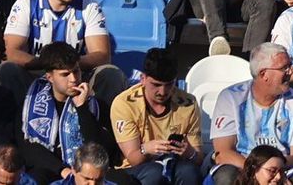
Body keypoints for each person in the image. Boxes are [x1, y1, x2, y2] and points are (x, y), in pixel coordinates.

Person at [208, 44, 293, 185]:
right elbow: (223, 153)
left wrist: (273, 170)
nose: (290, 72)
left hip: (282, 166)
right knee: (226, 176)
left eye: (290, 66)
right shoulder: (230, 97)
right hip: (241, 164)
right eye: (284, 68)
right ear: (264, 74)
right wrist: (257, 171)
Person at [12, 44, 112, 185]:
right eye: (65, 74)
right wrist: (62, 170)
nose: (73, 79)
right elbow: (28, 148)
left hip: (87, 174)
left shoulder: (94, 106)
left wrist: (82, 108)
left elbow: (98, 149)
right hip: (49, 170)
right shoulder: (30, 105)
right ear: (50, 77)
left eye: (76, 71)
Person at [109, 48, 203, 185]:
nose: (162, 92)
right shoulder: (125, 104)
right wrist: (146, 149)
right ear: (143, 79)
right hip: (134, 169)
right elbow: (133, 159)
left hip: (174, 163)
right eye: (156, 85)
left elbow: (198, 158)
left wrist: (189, 153)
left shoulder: (188, 104)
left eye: (169, 85)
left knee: (189, 171)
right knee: (155, 172)